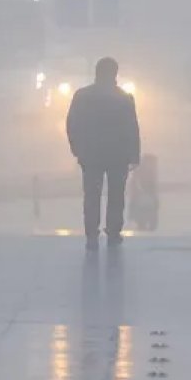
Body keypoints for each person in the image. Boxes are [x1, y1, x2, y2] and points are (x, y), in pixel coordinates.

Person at [66, 57, 141, 250]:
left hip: (91, 154)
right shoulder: (124, 97)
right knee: (116, 194)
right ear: (115, 73)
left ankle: (92, 232)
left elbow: (72, 124)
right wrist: (134, 155)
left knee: (91, 194)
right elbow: (132, 128)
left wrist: (77, 148)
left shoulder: (82, 96)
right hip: (118, 155)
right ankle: (114, 231)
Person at [127, 153, 160, 232]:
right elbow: (134, 183)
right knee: (144, 214)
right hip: (142, 195)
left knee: (148, 213)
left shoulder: (150, 172)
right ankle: (143, 224)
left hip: (146, 195)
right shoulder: (141, 171)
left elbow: (152, 186)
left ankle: (145, 224)